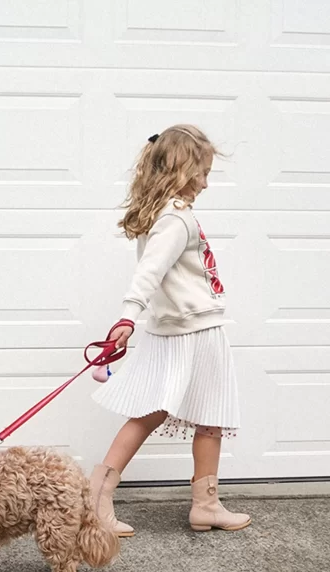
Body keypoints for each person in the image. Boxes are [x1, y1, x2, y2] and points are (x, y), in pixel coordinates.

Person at [89, 125, 251, 537]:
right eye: (202, 172)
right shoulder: (176, 218)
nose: (206, 182)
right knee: (164, 413)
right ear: (182, 169)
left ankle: (206, 506)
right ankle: (97, 500)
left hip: (186, 328)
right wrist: (128, 316)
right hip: (191, 331)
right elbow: (149, 273)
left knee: (188, 415)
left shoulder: (163, 215)